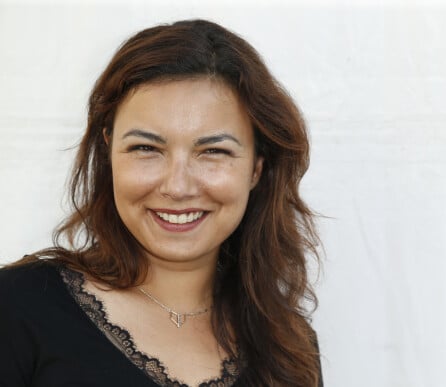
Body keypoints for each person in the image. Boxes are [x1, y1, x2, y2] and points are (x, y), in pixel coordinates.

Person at [0, 19, 322, 387]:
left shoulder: (290, 346)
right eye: (146, 148)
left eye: (213, 151)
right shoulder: (18, 307)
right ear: (108, 154)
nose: (177, 186)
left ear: (256, 169)